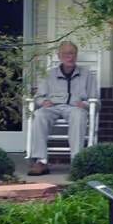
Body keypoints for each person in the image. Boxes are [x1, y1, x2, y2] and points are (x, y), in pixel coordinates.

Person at [27, 42, 97, 176]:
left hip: (75, 108)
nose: (69, 57)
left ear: (76, 56)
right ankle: (41, 161)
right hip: (53, 106)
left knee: (79, 116)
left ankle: (77, 162)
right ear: (59, 56)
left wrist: (86, 104)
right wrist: (43, 101)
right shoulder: (49, 75)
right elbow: (38, 98)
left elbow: (95, 101)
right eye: (66, 54)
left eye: (72, 53)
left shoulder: (87, 75)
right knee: (39, 115)